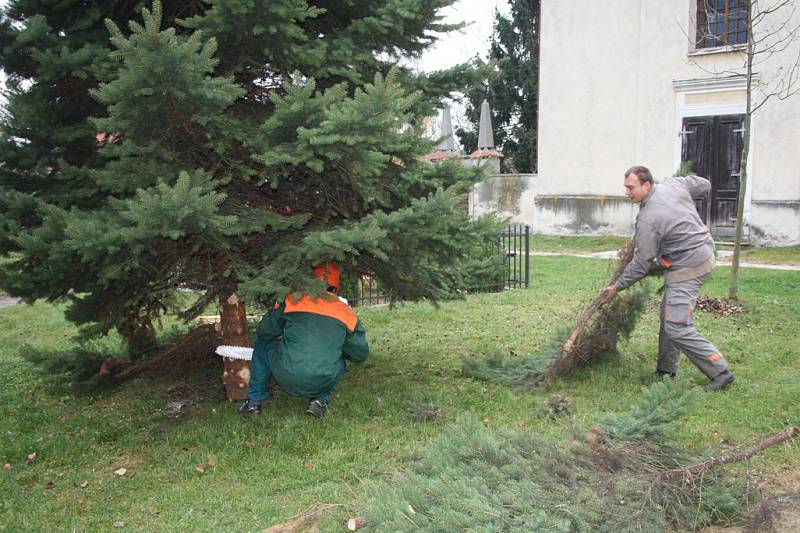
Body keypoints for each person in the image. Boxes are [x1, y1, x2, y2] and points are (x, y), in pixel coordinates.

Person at [600, 165, 735, 391]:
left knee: (677, 326)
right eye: (625, 187)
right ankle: (666, 370)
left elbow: (641, 263)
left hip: (690, 267)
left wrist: (616, 287)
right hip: (703, 251)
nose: (627, 192)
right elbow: (705, 185)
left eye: (631, 188)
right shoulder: (675, 184)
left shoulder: (647, 220)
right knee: (669, 314)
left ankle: (720, 372)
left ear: (646, 185)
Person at [238, 262, 369, 417]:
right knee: (339, 359)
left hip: (286, 375)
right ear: (336, 288)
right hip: (324, 379)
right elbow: (360, 354)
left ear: (309, 281)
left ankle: (254, 403)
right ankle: (320, 401)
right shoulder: (347, 313)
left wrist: (282, 334)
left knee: (262, 345)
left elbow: (263, 331)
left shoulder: (292, 300)